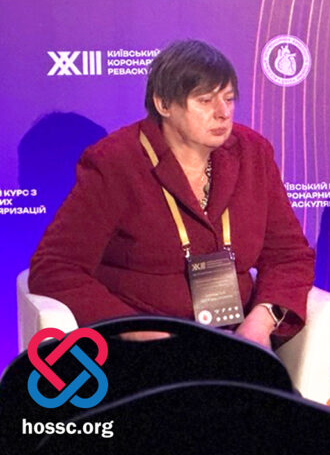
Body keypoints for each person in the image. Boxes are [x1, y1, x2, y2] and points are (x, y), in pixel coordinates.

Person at [30, 40, 314, 348]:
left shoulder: (253, 153)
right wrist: (137, 329)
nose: (223, 113)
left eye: (229, 99)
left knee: (265, 378)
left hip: (236, 342)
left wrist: (262, 319)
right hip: (145, 348)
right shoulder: (115, 162)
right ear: (164, 104)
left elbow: (288, 255)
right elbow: (55, 267)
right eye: (205, 101)